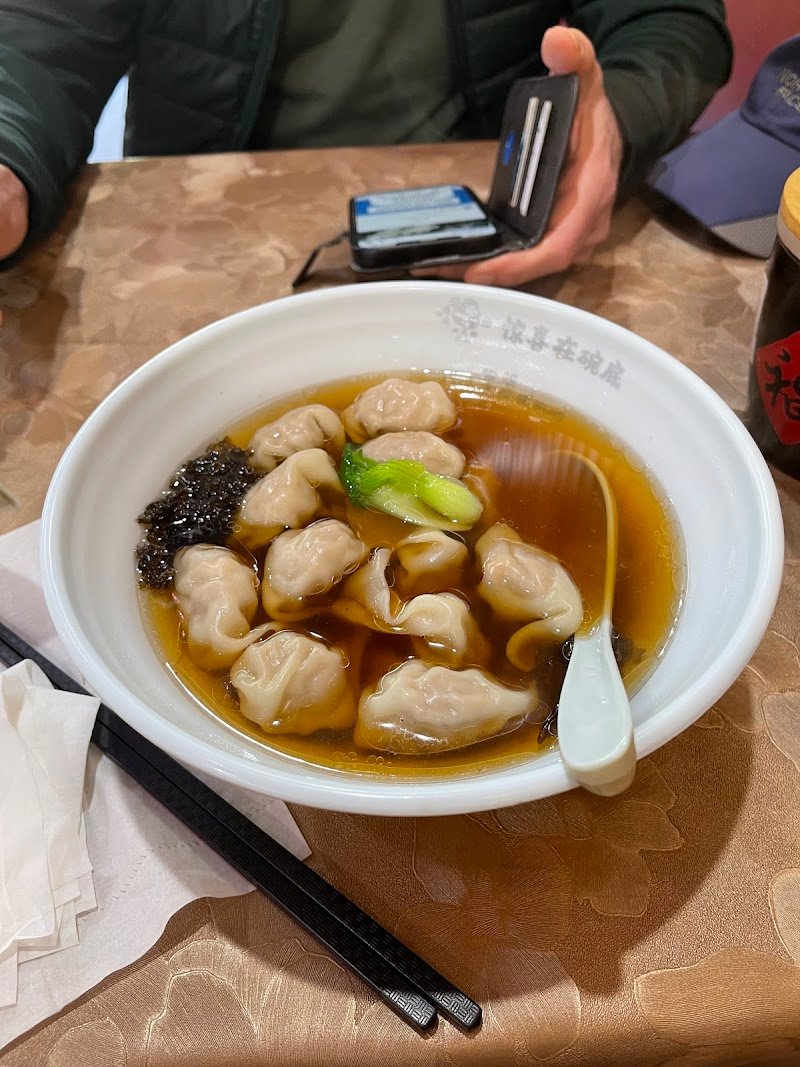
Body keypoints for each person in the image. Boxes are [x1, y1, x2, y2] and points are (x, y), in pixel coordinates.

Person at [0, 1, 731, 287]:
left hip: (486, 236)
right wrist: (9, 151)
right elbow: (44, 35)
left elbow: (671, 18)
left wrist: (615, 118)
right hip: (199, 248)